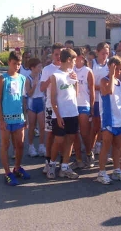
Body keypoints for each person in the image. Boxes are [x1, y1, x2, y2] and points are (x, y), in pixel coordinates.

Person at [0, 52, 30, 185]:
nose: (16, 66)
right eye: (14, 63)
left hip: (19, 118)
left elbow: (23, 99)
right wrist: (1, 119)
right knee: (5, 145)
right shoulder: (2, 79)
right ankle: (7, 172)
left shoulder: (22, 78)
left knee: (20, 145)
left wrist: (25, 116)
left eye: (19, 64)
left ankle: (17, 167)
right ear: (9, 62)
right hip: (6, 118)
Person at [97, 56, 121, 184]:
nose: (118, 71)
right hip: (108, 118)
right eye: (116, 69)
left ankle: (117, 170)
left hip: (120, 117)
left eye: (120, 69)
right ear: (110, 68)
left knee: (117, 146)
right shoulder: (104, 80)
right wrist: (111, 75)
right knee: (106, 145)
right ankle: (101, 173)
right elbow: (109, 91)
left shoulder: (118, 81)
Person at [46, 48, 79, 179]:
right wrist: (58, 116)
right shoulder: (55, 75)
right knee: (58, 140)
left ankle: (64, 166)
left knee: (70, 140)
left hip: (73, 112)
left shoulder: (72, 73)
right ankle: (51, 164)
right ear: (69, 60)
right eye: (74, 60)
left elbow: (76, 94)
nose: (75, 63)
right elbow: (53, 97)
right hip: (60, 114)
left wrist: (75, 81)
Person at [40, 43, 64, 173]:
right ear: (52, 55)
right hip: (50, 106)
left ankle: (61, 161)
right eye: (56, 54)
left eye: (61, 54)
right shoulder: (47, 69)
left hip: (64, 108)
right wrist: (51, 79)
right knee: (50, 135)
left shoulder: (68, 68)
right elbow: (42, 88)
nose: (59, 57)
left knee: (63, 136)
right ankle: (48, 161)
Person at [73, 47, 95, 168]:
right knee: (74, 133)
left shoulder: (87, 71)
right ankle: (78, 158)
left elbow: (92, 91)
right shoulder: (71, 70)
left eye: (74, 56)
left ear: (81, 57)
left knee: (85, 133)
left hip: (84, 104)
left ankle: (88, 153)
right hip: (72, 105)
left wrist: (92, 107)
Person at [89, 42, 110, 158]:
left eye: (107, 53)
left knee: (104, 125)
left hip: (105, 99)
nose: (105, 55)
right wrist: (101, 87)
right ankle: (90, 149)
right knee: (95, 126)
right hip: (95, 99)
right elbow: (90, 84)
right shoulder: (92, 64)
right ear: (97, 52)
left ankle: (98, 144)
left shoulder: (110, 64)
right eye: (103, 53)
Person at [25, 58, 46, 157]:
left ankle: (42, 146)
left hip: (40, 101)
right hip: (32, 102)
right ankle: (31, 146)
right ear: (32, 68)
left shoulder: (42, 76)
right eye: (38, 67)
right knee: (32, 126)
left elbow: (44, 90)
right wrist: (34, 85)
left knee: (42, 126)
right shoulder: (28, 79)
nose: (40, 68)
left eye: (41, 66)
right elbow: (29, 93)